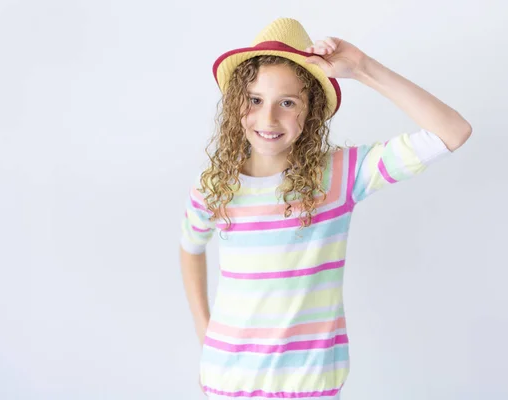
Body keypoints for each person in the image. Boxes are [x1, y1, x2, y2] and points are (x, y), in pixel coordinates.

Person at [179, 17, 472, 400]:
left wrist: (364, 68)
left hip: (310, 386)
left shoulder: (340, 175)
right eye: (255, 100)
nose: (268, 119)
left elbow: (452, 132)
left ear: (311, 111)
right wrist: (205, 330)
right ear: (237, 103)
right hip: (227, 381)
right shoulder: (215, 186)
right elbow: (190, 248)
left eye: (288, 103)